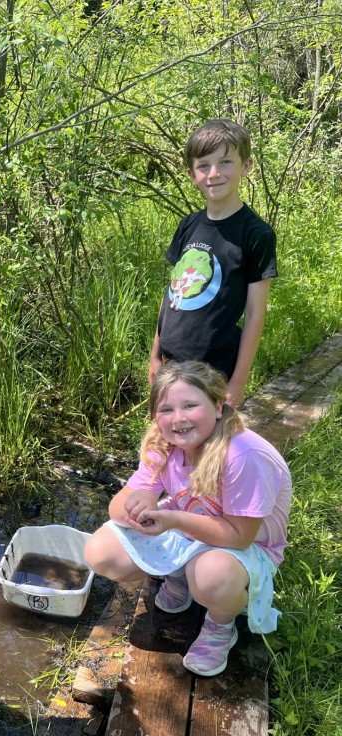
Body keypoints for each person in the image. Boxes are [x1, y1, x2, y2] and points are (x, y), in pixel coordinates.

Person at [84, 360, 291, 677]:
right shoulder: (164, 442)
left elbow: (239, 536)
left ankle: (220, 626)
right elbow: (118, 507)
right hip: (190, 529)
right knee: (100, 551)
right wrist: (140, 500)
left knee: (211, 578)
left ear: (218, 406)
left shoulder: (243, 455)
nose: (177, 419)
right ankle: (179, 575)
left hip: (242, 548)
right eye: (166, 409)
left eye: (190, 405)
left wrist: (174, 520)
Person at [148, 119, 278, 407]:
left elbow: (255, 312)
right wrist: (155, 356)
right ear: (191, 173)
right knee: (169, 440)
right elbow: (173, 293)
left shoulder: (256, 234)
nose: (214, 173)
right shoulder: (189, 225)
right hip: (171, 366)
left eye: (226, 161)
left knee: (211, 448)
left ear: (246, 165)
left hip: (213, 372)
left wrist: (238, 382)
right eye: (203, 165)